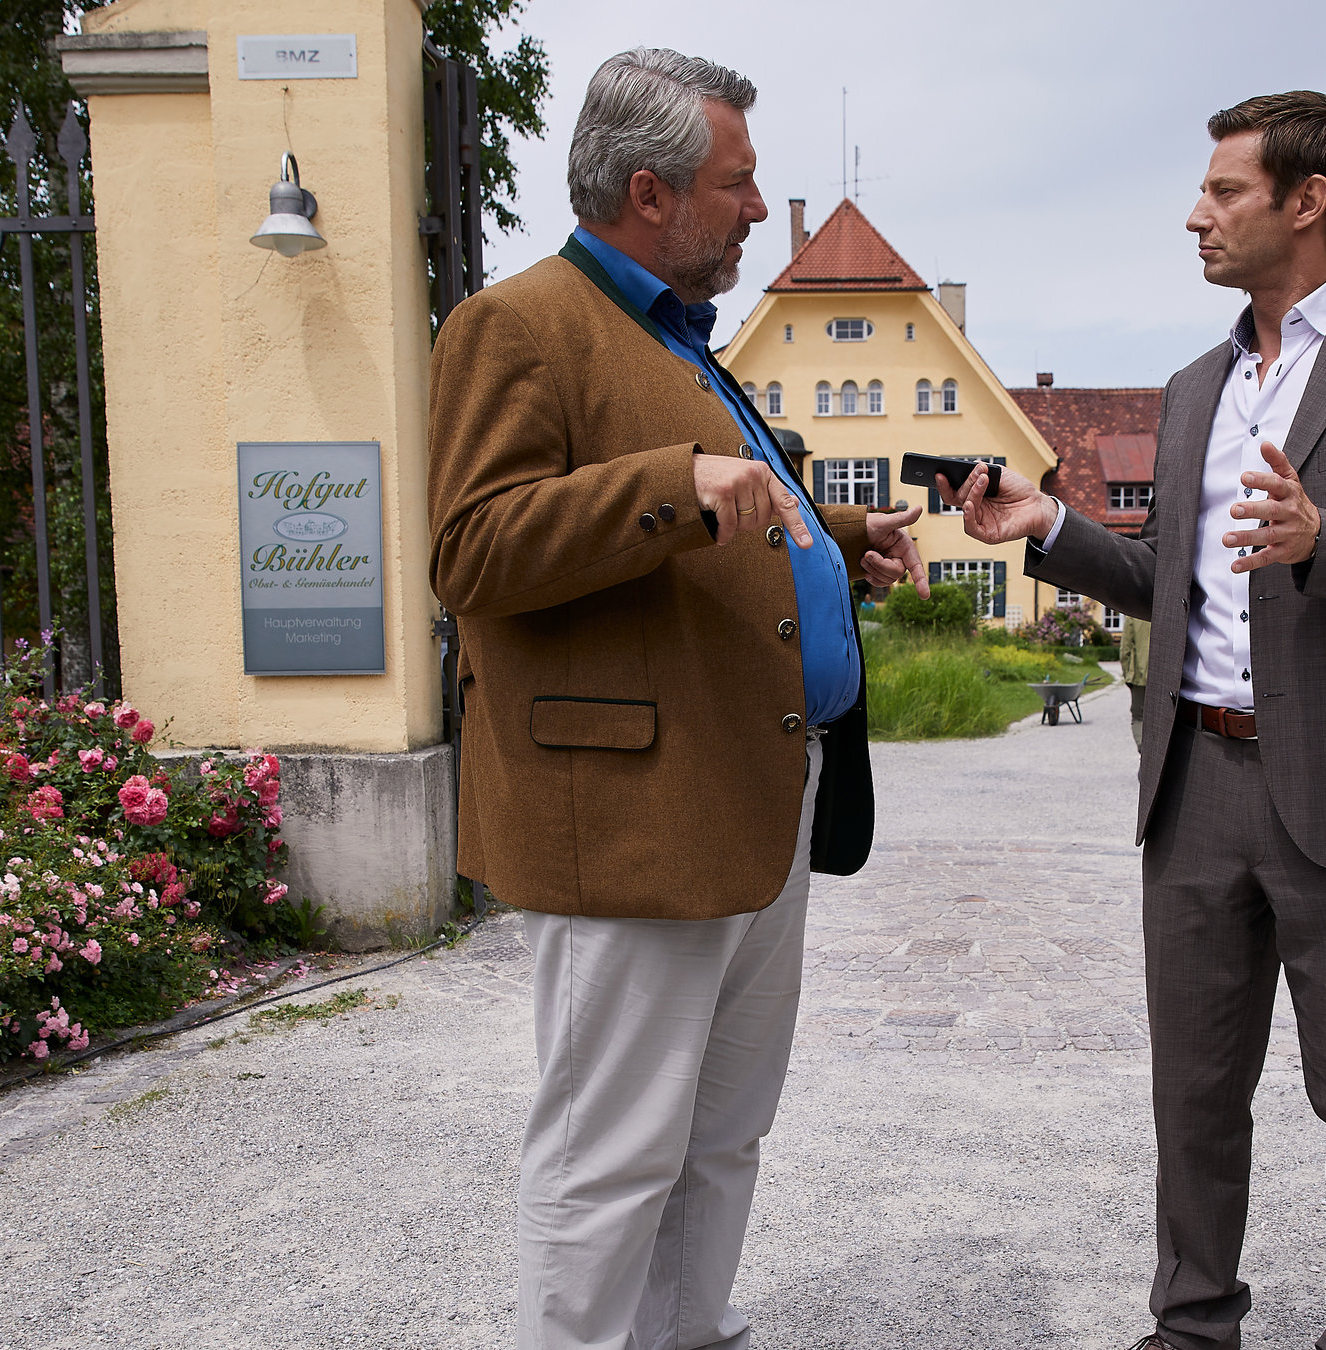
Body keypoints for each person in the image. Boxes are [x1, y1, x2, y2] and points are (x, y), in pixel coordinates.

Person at [940, 89, 1326, 1350]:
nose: (1195, 215)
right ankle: (1193, 1324)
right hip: (1196, 784)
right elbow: (1176, 575)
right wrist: (1051, 527)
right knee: (1194, 1092)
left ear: (1307, 202)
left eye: (1223, 191)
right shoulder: (1195, 385)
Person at [427, 48, 927, 1350]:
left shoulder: (678, 337)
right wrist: (673, 486)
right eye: (736, 183)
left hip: (750, 787)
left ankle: (685, 1330)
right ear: (649, 191)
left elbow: (717, 511)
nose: (759, 208)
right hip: (630, 817)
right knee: (610, 1151)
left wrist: (833, 537)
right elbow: (472, 549)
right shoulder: (519, 324)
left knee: (722, 1127)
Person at [1118, 612, 1151, 745]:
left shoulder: (1133, 614)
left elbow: (1125, 649)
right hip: (1165, 678)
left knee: (1139, 717)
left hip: (1139, 676)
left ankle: (1143, 750)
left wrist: (1127, 675)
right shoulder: (1167, 612)